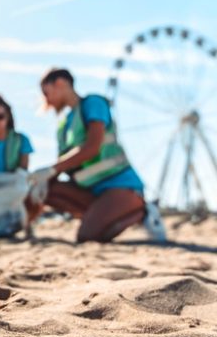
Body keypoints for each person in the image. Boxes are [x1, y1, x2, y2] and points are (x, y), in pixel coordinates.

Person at [30, 68, 151, 242]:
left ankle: (142, 211)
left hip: (119, 186)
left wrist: (51, 169)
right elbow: (68, 164)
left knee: (87, 236)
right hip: (91, 190)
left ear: (60, 83)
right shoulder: (64, 124)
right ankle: (101, 214)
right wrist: (43, 179)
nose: (45, 99)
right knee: (44, 189)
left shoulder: (93, 103)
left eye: (45, 92)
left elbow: (92, 147)